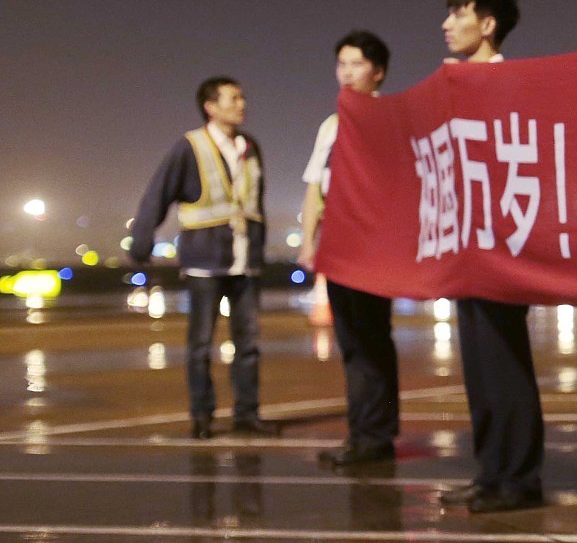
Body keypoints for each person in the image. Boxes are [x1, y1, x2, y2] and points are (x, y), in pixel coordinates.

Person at [433, 0, 548, 514]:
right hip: (464, 245)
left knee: (504, 362)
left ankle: (519, 478)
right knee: (478, 365)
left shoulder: (512, 84)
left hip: (502, 245)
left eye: (459, 13)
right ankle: (491, 471)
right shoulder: (449, 88)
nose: (447, 24)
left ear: (487, 24)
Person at [130, 76, 280, 439]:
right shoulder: (190, 146)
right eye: (233, 98)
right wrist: (142, 240)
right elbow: (159, 192)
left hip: (245, 260)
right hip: (204, 261)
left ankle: (247, 414)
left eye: (242, 97)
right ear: (210, 107)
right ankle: (202, 415)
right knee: (200, 345)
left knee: (248, 344)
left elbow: (254, 202)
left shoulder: (250, 146)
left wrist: (259, 248)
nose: (242, 104)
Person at [299, 30, 401, 470]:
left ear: (378, 72)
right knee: (351, 343)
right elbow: (314, 188)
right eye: (341, 64)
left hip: (371, 248)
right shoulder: (331, 124)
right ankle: (362, 434)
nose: (346, 72)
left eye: (356, 63)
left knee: (371, 338)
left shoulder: (388, 117)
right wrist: (309, 241)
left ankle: (376, 436)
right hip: (336, 247)